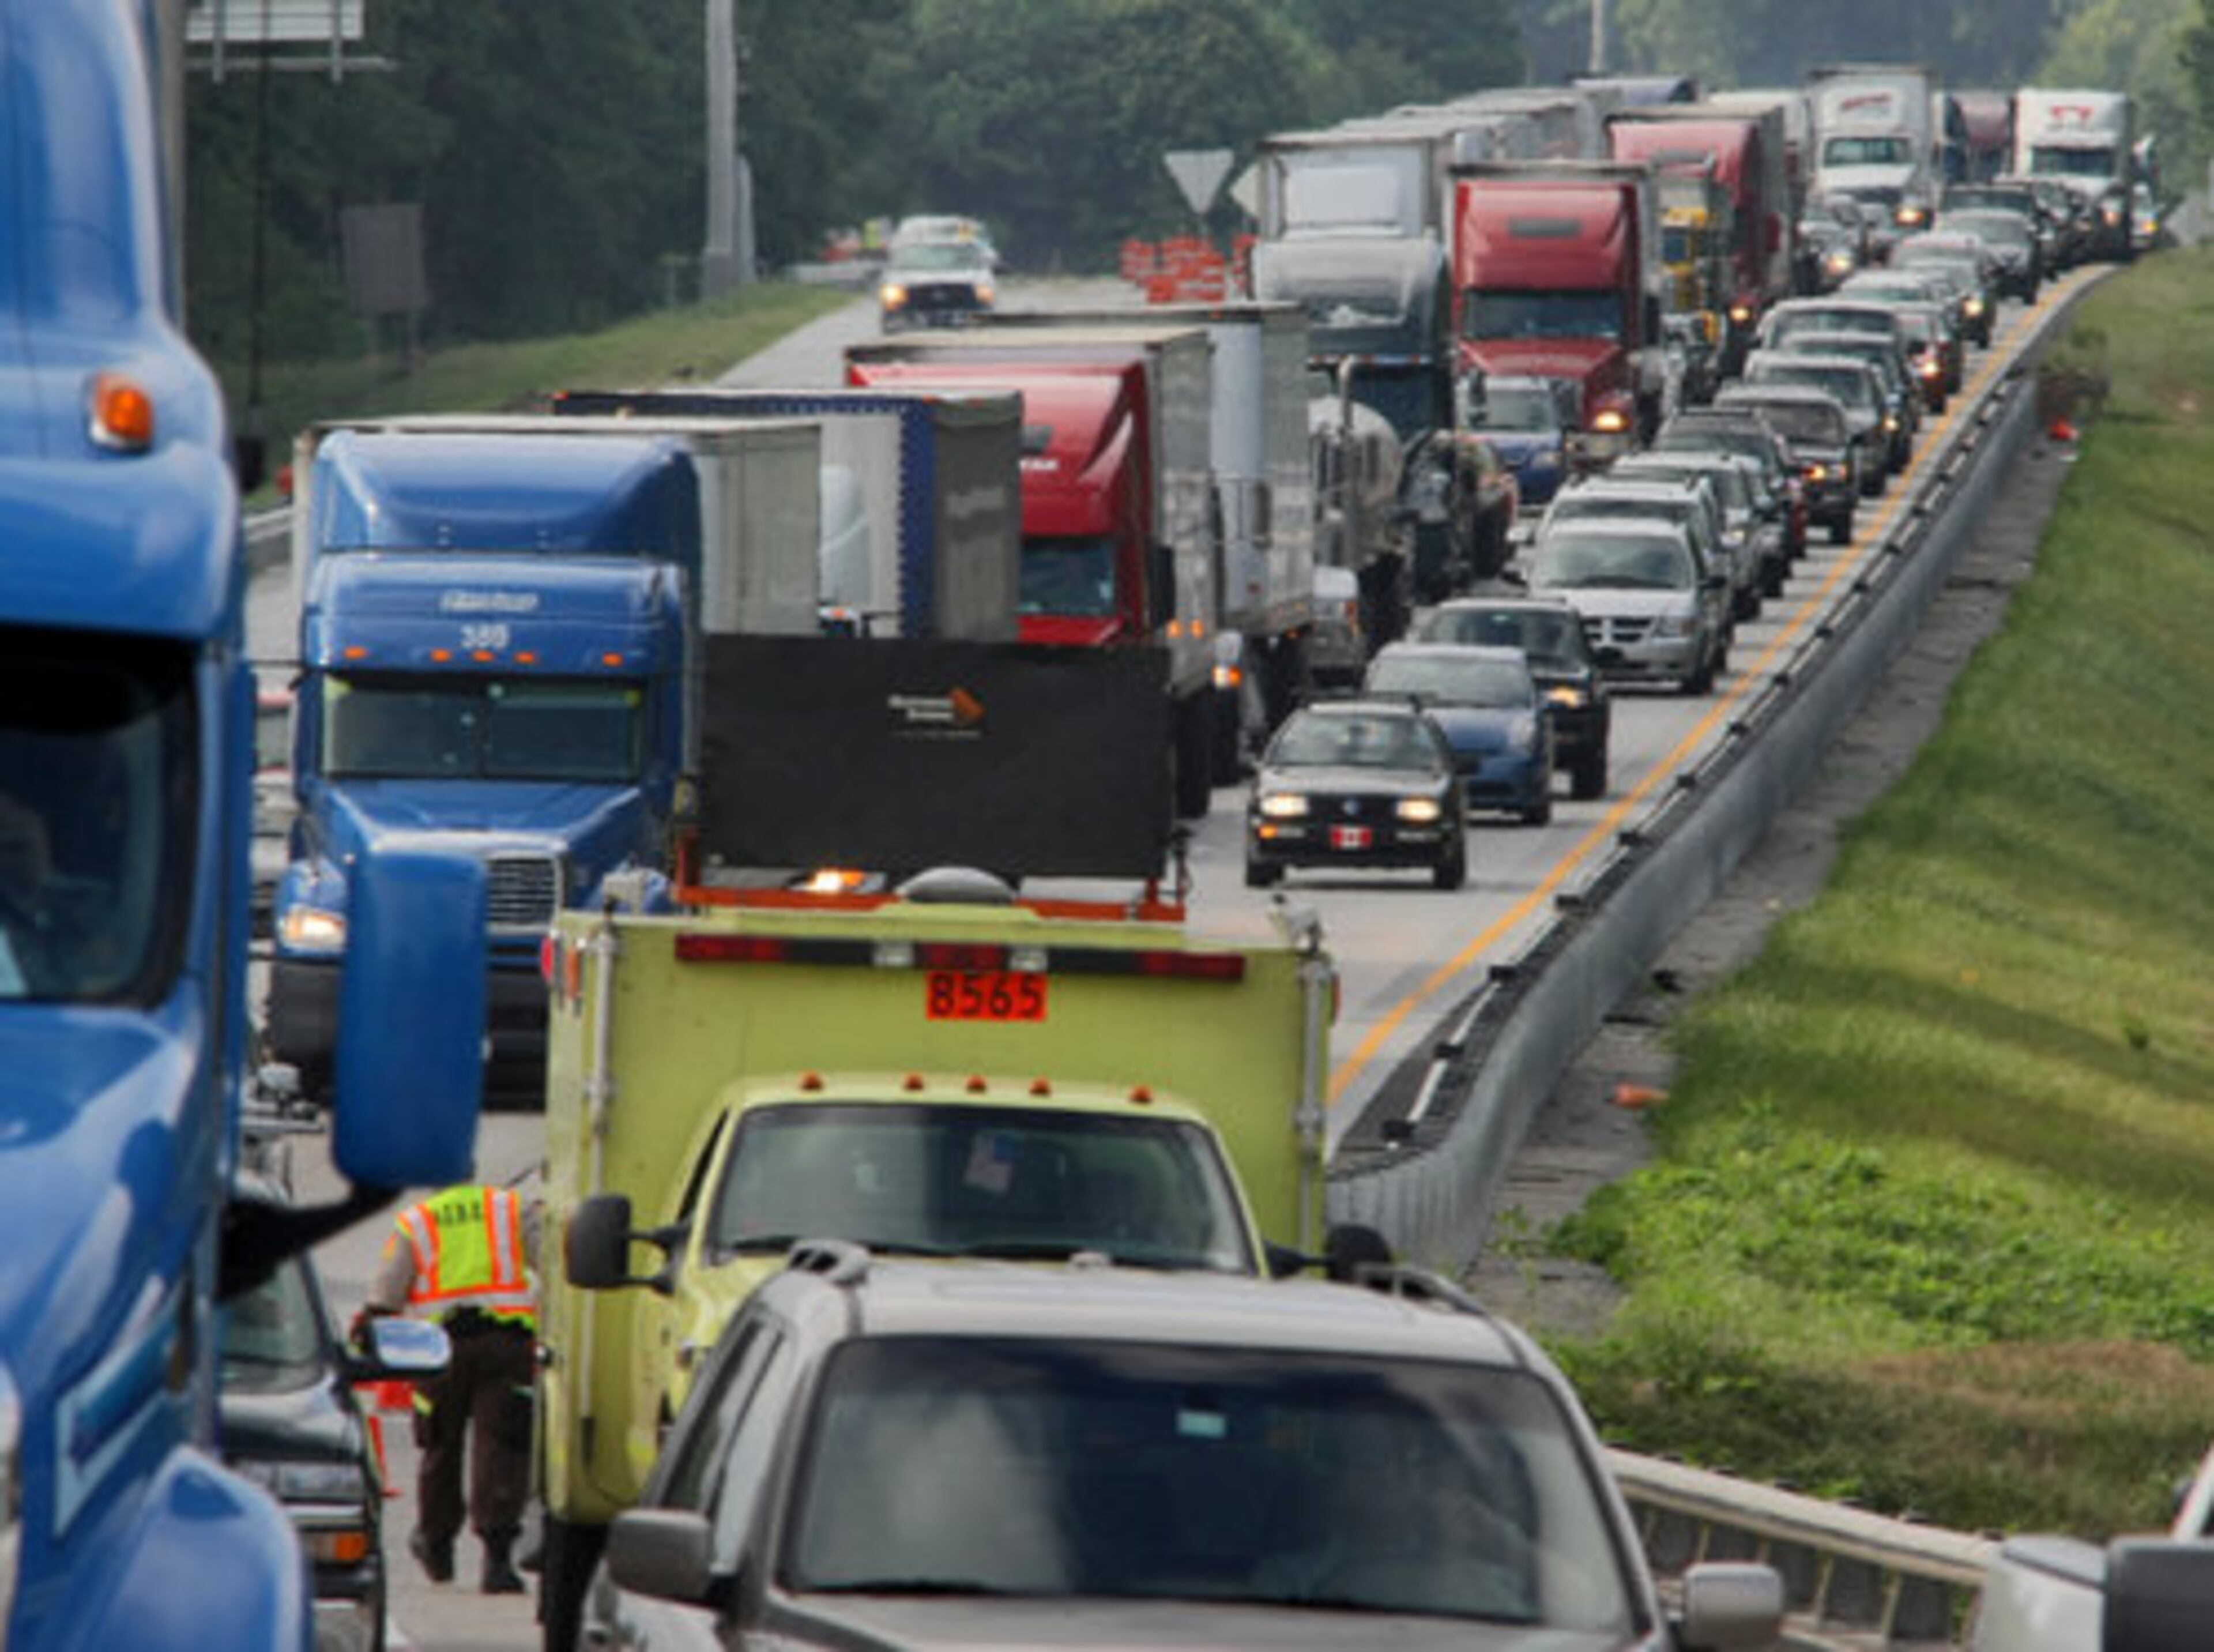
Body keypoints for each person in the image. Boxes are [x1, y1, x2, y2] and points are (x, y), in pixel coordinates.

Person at [357, 1183, 540, 1595]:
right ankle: (497, 1560)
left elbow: (387, 1291)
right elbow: (555, 1265)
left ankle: (436, 1544)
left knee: (440, 1446)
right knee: (503, 1446)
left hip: (438, 1350)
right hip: (506, 1346)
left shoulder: (419, 1220)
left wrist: (372, 1329)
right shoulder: (511, 1208)